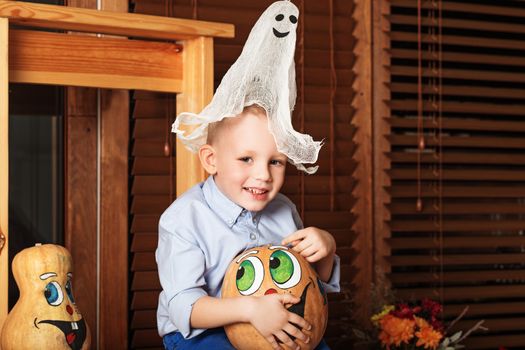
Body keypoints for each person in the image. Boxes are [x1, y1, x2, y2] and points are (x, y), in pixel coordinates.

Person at [156, 104, 340, 350]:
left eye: (276, 161)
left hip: (277, 323)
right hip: (205, 334)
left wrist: (326, 249)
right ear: (211, 160)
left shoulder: (284, 210)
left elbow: (309, 283)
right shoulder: (183, 219)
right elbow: (184, 306)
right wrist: (251, 310)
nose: (263, 174)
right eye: (246, 159)